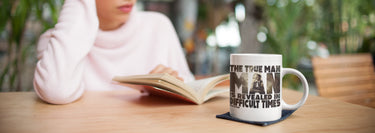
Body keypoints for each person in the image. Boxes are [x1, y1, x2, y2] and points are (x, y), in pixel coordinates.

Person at [33, 0, 194, 104]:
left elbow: (192, 88)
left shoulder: (158, 25)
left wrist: (172, 85)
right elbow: (55, 91)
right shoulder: (56, 44)